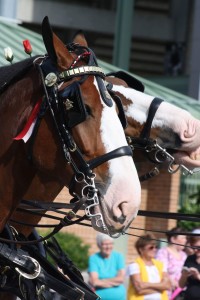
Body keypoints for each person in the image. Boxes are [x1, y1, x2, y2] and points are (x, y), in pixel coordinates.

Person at [127, 233, 170, 300]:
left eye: (156, 247)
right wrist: (160, 289)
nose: (154, 249)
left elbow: (167, 285)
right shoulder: (134, 265)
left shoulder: (161, 265)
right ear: (141, 249)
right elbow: (139, 289)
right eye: (151, 247)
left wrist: (147, 284)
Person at [88, 233, 126, 300]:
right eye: (105, 244)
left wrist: (101, 281)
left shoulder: (118, 256)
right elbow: (94, 281)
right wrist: (114, 282)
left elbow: (121, 279)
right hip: (100, 297)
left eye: (110, 243)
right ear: (99, 245)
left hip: (119, 297)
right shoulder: (94, 258)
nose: (108, 247)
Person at [156, 227, 187, 298]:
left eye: (185, 238)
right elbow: (160, 270)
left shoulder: (184, 255)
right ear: (173, 239)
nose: (185, 240)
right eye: (183, 238)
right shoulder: (163, 252)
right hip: (167, 292)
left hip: (181, 292)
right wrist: (172, 282)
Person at [179, 234, 200, 300]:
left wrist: (197, 275)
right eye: (193, 247)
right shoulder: (190, 258)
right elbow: (181, 285)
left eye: (199, 247)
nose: (196, 250)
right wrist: (184, 275)